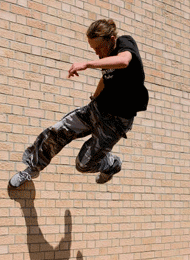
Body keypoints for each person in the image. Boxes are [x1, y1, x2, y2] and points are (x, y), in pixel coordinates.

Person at [9, 19, 149, 187]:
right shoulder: (106, 57)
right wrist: (94, 98)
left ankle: (110, 164)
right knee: (58, 131)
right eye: (93, 49)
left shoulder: (124, 43)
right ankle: (31, 169)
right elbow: (106, 78)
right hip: (96, 109)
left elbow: (124, 61)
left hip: (115, 123)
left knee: (83, 165)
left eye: (98, 48)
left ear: (111, 39)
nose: (97, 53)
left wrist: (87, 64)